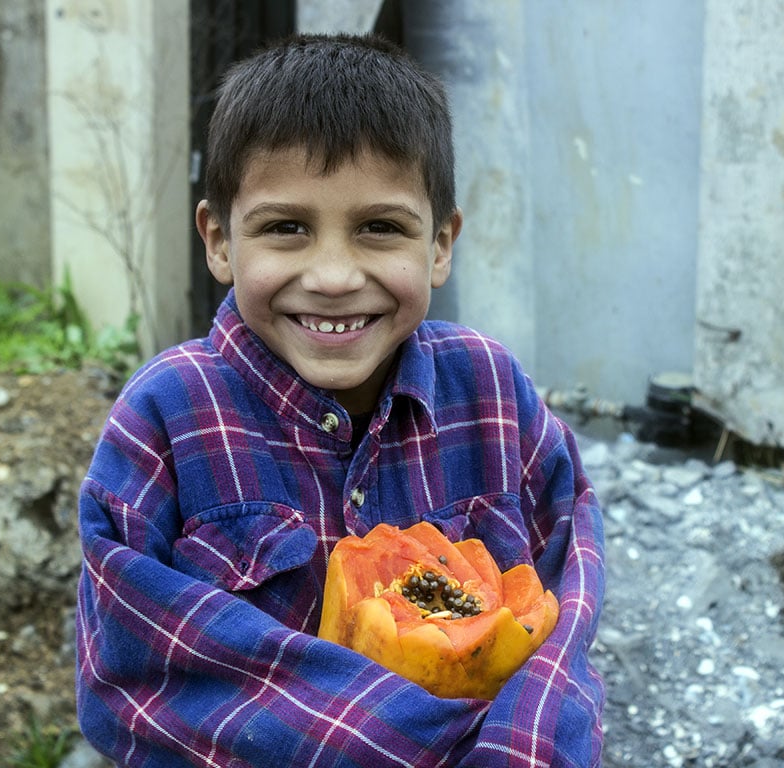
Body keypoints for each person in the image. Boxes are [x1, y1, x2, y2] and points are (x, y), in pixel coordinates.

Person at [76, 32, 605, 767]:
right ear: (220, 239)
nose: (331, 275)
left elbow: (564, 608)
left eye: (379, 228)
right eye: (286, 228)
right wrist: (429, 748)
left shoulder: (492, 393)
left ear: (441, 245)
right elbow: (134, 674)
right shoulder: (167, 416)